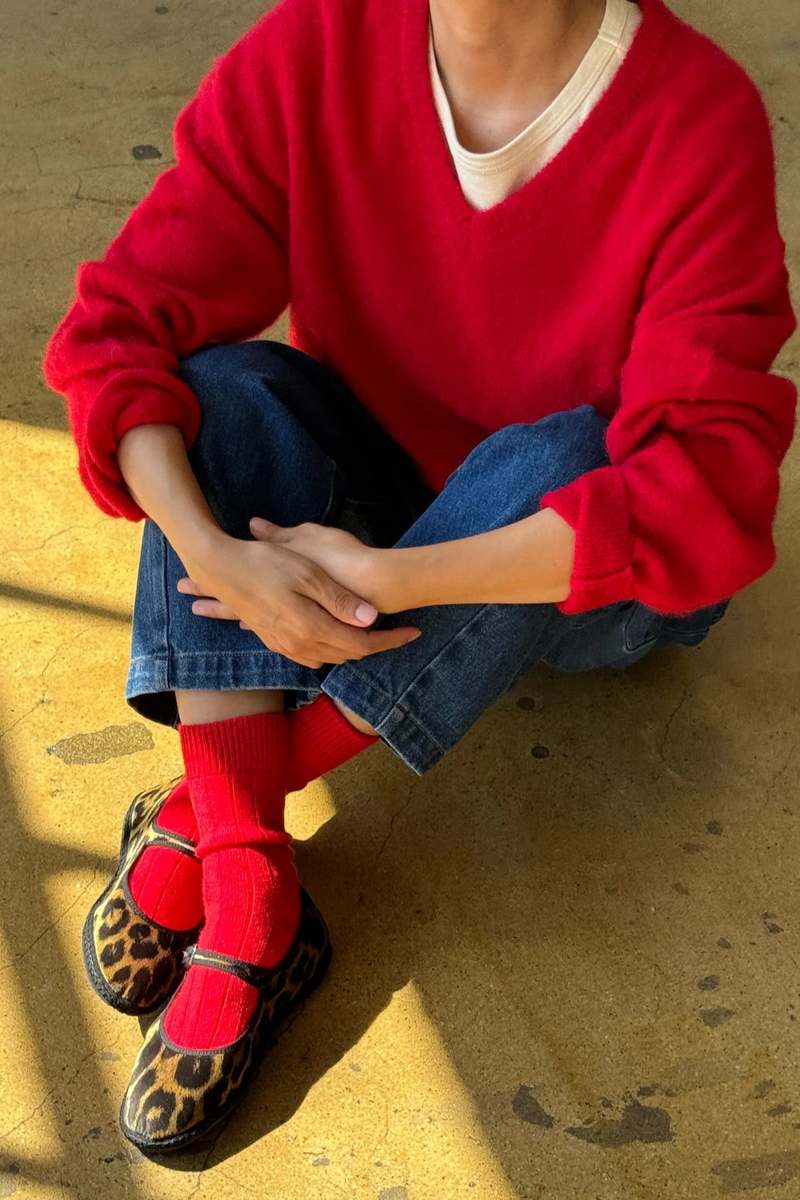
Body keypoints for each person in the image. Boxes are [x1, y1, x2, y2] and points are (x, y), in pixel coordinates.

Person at [43, 0, 796, 1154]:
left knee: (559, 457)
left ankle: (213, 813)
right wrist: (213, 553)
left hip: (594, 583)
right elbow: (124, 327)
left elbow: (700, 482)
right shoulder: (317, 49)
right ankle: (252, 887)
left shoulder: (692, 117)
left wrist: (398, 580)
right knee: (225, 392)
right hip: (386, 494)